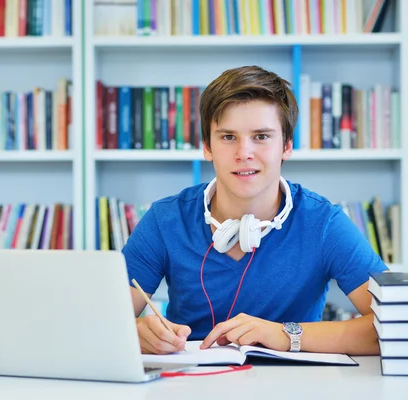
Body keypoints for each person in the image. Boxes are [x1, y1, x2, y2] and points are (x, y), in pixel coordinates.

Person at [122, 65, 389, 356]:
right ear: (207, 147)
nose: (244, 153)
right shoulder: (165, 220)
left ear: (286, 146)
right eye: (228, 137)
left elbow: (393, 325)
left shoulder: (324, 223)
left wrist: (284, 334)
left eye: (261, 136)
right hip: (190, 384)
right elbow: (102, 323)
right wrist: (135, 333)